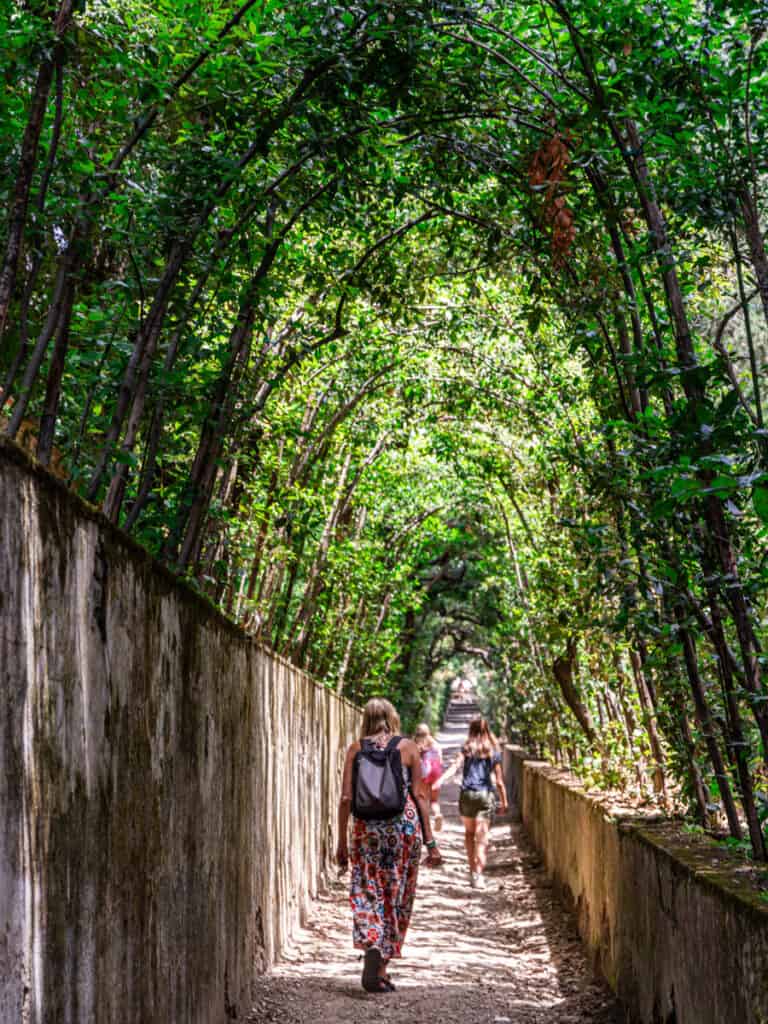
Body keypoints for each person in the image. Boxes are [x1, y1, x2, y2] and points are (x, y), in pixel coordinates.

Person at [336, 698, 442, 993]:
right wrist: (431, 842)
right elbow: (420, 796)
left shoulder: (356, 749)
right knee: (396, 894)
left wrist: (341, 843)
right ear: (392, 718)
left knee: (367, 887)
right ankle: (381, 967)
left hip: (364, 830)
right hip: (402, 829)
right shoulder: (408, 747)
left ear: (366, 720)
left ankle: (372, 939)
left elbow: (346, 799)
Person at [438, 715, 508, 890]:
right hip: (485, 795)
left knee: (470, 834)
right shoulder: (493, 751)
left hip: (467, 795)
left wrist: (440, 780)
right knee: (482, 837)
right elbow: (499, 781)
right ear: (487, 730)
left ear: (472, 730)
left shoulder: (467, 748)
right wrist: (504, 802)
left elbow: (454, 767)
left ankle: (473, 873)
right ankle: (479, 875)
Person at [413, 722, 444, 832]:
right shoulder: (435, 744)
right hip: (436, 772)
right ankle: (437, 814)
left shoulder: (417, 743)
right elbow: (441, 760)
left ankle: (425, 826)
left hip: (425, 771)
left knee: (424, 799)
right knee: (434, 800)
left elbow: (415, 759)